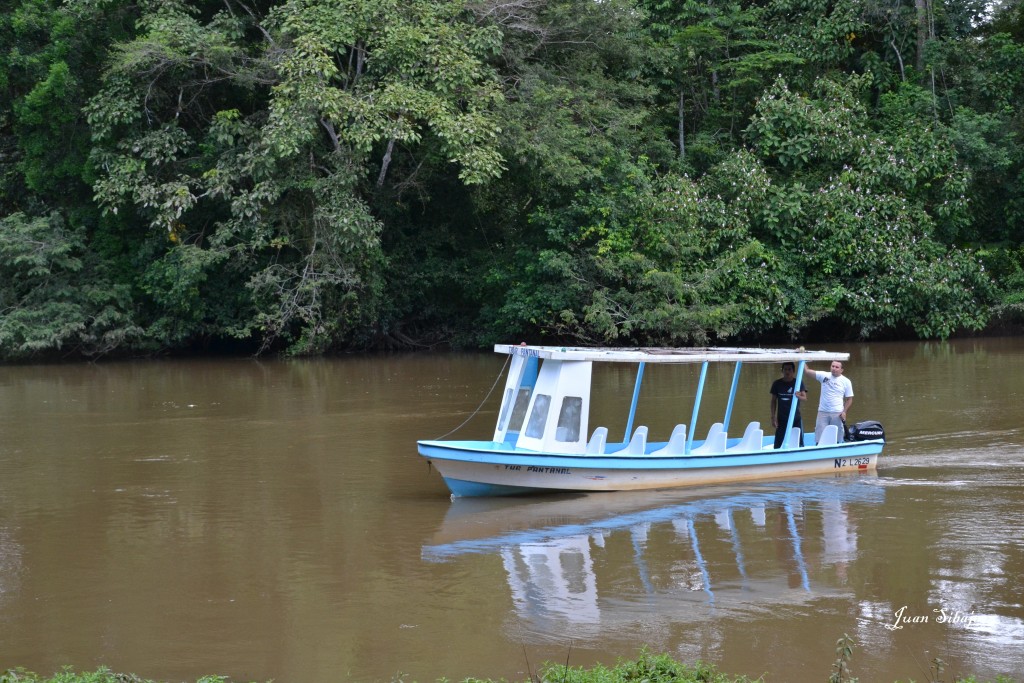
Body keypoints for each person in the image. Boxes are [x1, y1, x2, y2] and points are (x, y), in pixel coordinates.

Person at [804, 360, 854, 444]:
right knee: (820, 439)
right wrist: (802, 358)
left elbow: (849, 399)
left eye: (837, 367)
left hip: (837, 413)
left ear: (841, 370)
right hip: (822, 412)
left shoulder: (846, 381)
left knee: (837, 439)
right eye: (832, 366)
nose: (834, 368)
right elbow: (807, 372)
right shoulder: (824, 375)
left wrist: (844, 412)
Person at [770, 362, 807, 449]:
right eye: (785, 369)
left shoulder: (798, 382)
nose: (787, 372)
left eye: (789, 369)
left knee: (799, 443)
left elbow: (804, 398)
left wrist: (799, 396)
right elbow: (773, 401)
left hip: (795, 418)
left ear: (793, 371)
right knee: (778, 445)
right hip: (781, 419)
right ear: (782, 371)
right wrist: (773, 417)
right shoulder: (777, 383)